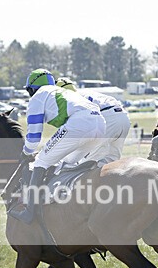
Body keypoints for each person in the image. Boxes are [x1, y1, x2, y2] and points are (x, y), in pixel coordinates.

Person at [10, 69, 106, 224]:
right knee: (66, 162)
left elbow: (33, 138)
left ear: (32, 88)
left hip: (80, 124)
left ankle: (29, 211)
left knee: (41, 160)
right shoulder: (61, 91)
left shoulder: (38, 97)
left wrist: (25, 152)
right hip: (100, 125)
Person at [56, 77, 131, 164]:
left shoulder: (69, 100)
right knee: (111, 163)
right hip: (124, 117)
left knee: (86, 164)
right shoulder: (85, 91)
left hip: (107, 118)